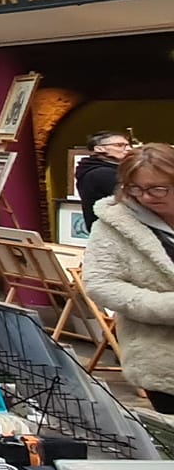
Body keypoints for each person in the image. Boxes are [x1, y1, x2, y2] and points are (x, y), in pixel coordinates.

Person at [81, 143, 174, 413]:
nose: (146, 197)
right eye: (135, 188)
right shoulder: (114, 224)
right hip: (161, 356)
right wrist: (165, 306)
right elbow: (101, 283)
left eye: (158, 188)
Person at [78, 130, 132, 230]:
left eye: (128, 145)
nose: (129, 149)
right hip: (112, 233)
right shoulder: (102, 173)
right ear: (99, 148)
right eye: (120, 145)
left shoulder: (92, 168)